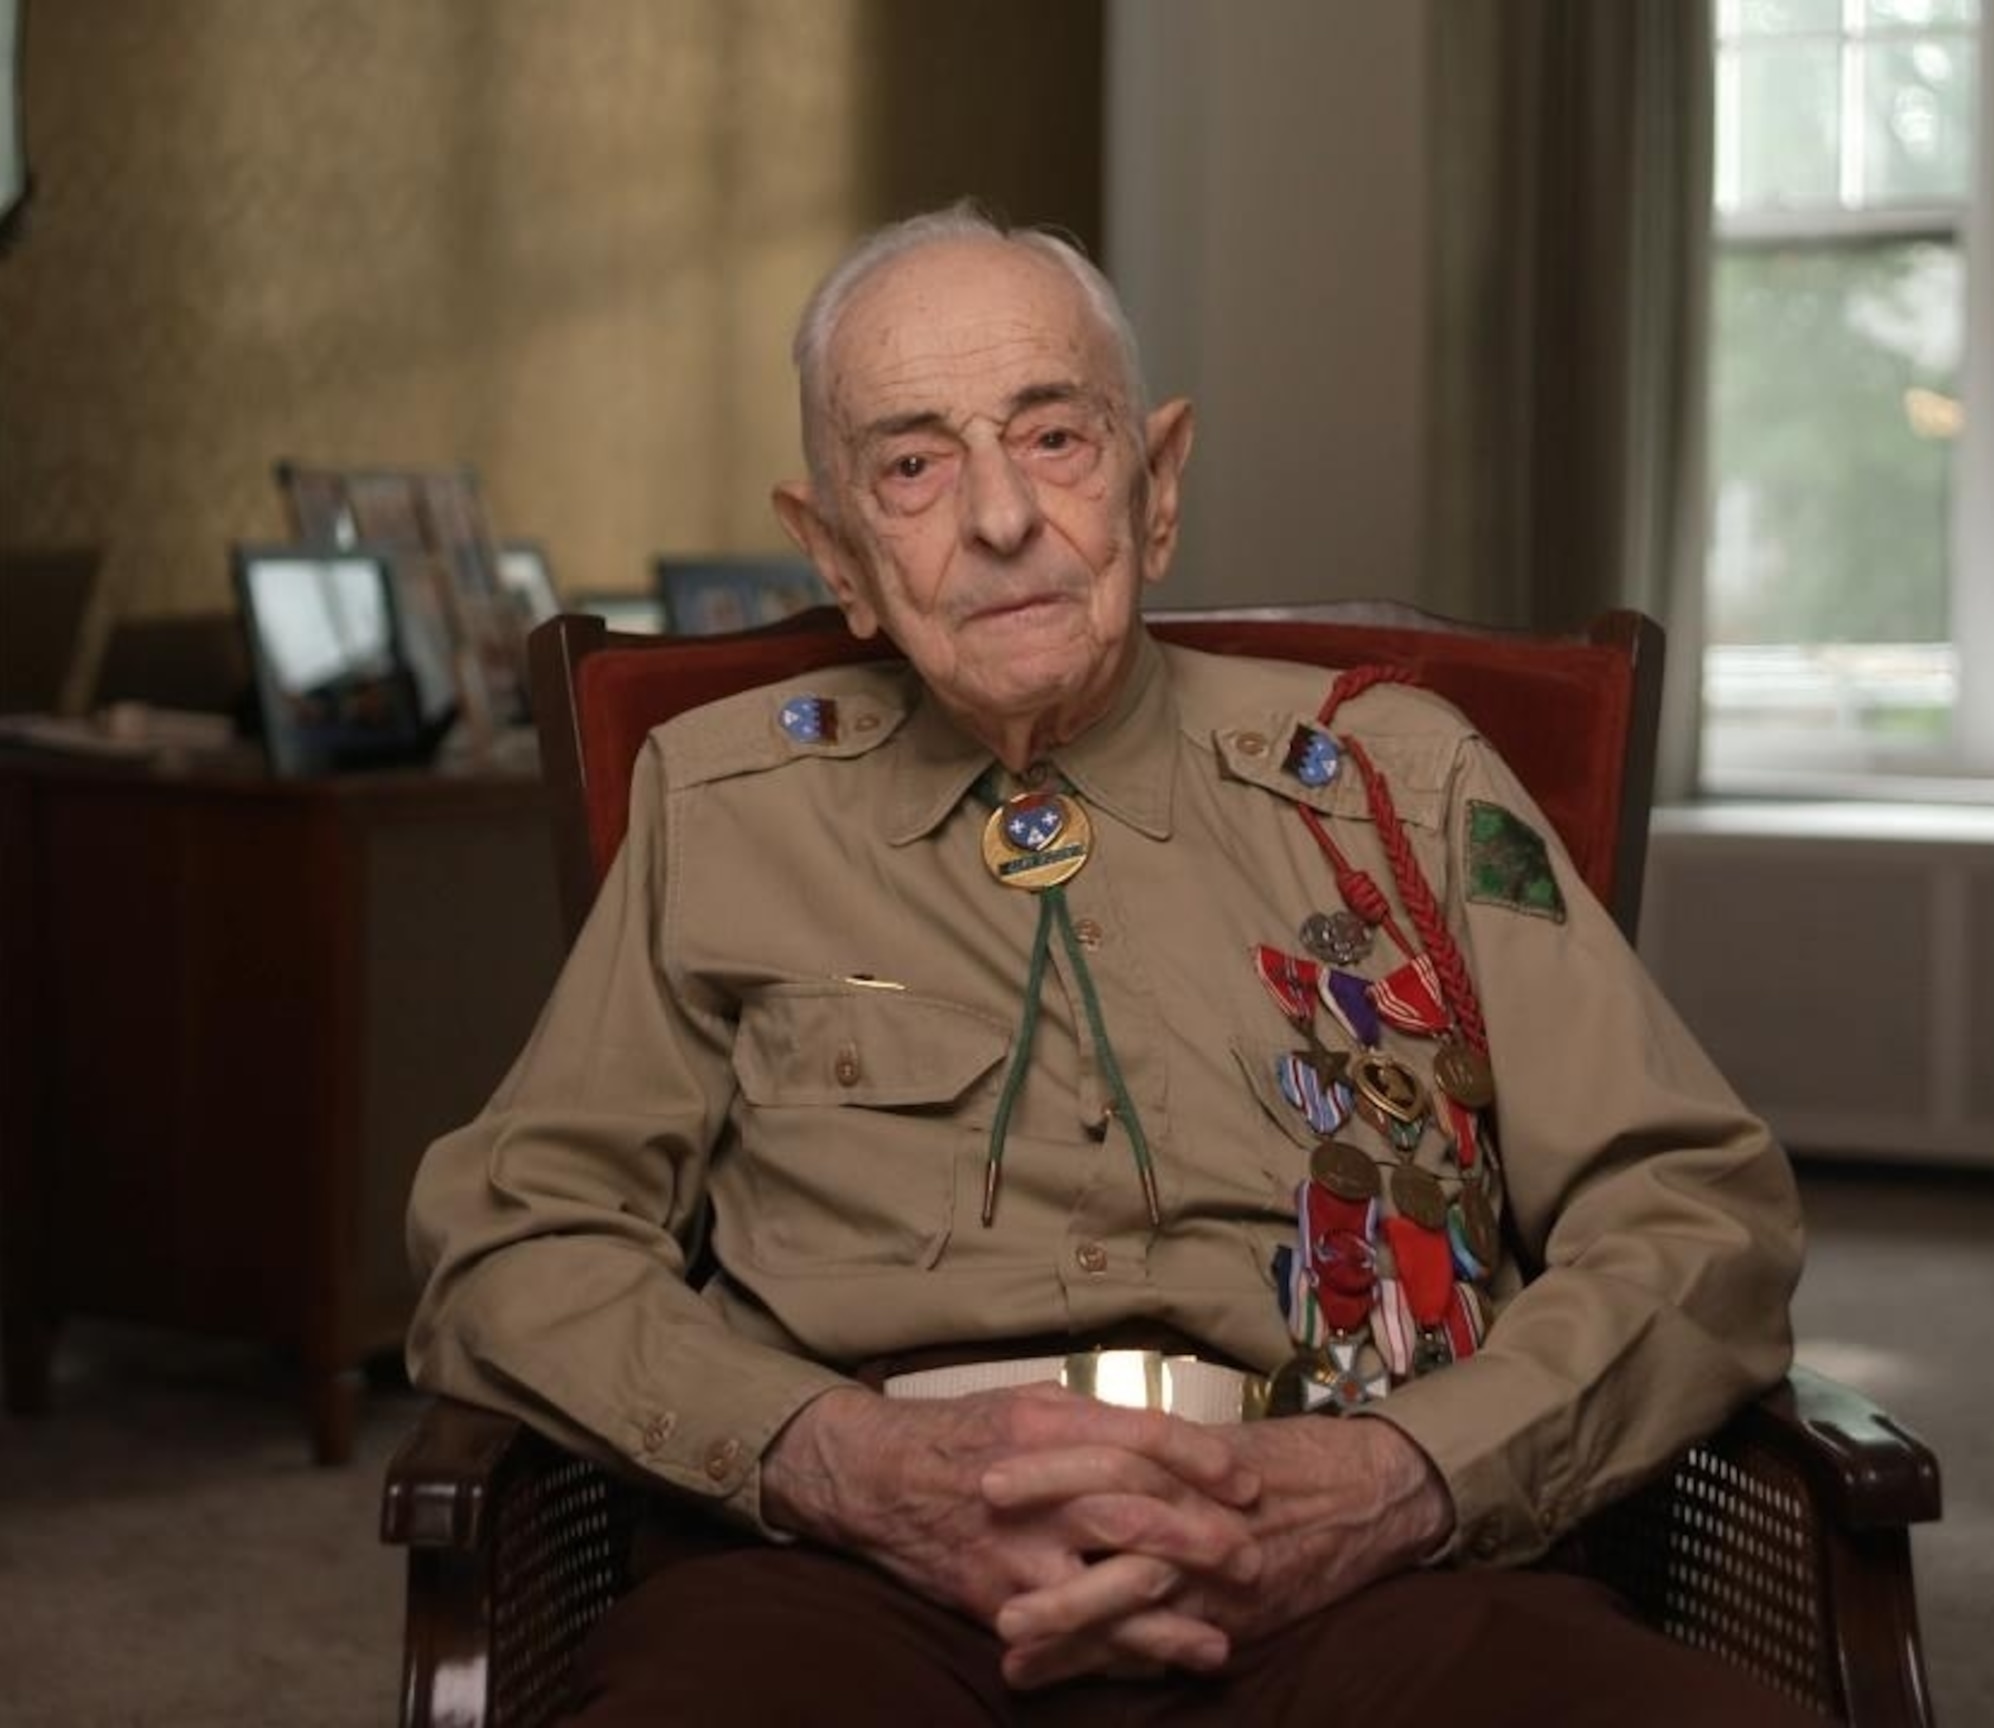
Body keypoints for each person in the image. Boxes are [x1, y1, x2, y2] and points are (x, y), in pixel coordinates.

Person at [407, 202, 1819, 1726]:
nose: (1003, 516)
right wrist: (830, 1458)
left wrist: (1398, 1478)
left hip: (1364, 1566)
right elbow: (515, 1242)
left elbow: (1698, 1212)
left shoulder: (1396, 779)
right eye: (913, 463)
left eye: (1055, 439)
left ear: (1156, 489)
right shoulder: (726, 802)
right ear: (838, 555)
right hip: (853, 1584)